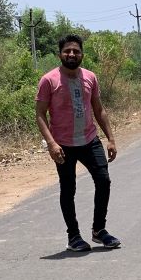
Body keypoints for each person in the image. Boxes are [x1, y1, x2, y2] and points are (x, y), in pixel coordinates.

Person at [35, 34, 121, 252]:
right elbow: (39, 114)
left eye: (76, 51)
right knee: (68, 188)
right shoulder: (49, 80)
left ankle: (99, 231)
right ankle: (73, 236)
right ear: (60, 54)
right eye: (67, 51)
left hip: (90, 139)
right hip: (63, 145)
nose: (71, 54)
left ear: (82, 54)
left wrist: (110, 138)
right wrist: (51, 144)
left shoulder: (90, 77)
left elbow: (99, 109)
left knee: (104, 181)